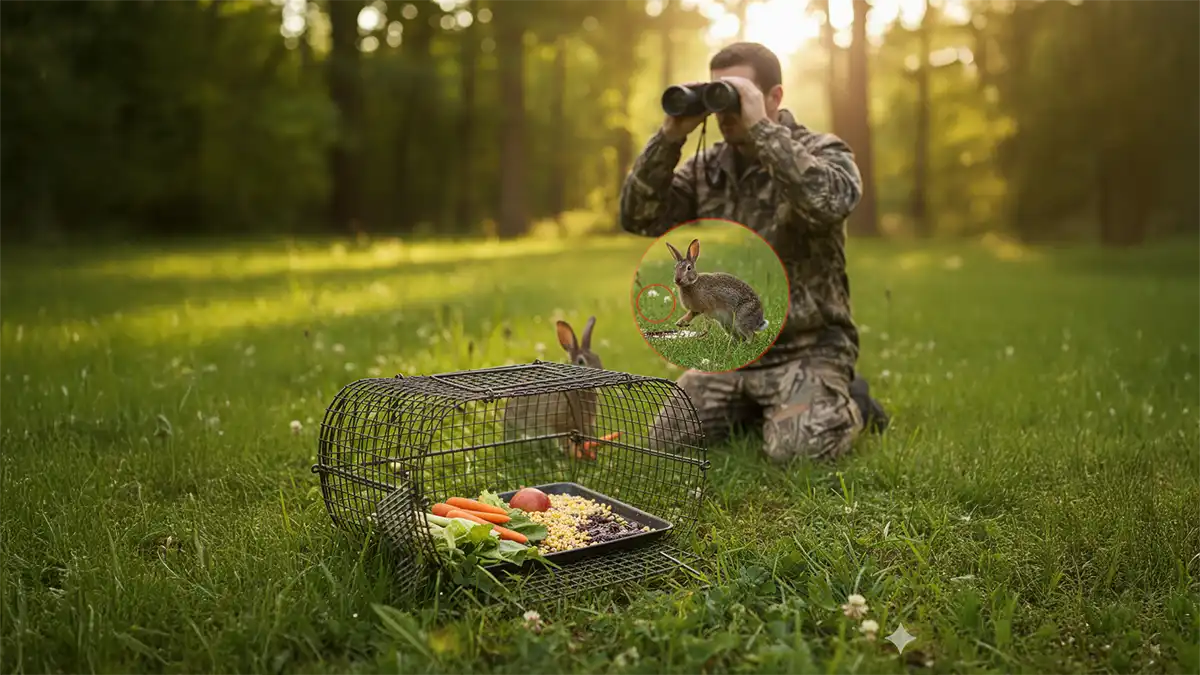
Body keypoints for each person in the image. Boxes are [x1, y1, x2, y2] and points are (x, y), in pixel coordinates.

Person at [619, 41, 889, 464]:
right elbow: (638, 216)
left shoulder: (822, 151)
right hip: (735, 351)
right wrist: (670, 136)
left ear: (774, 97)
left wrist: (762, 129)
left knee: (798, 452)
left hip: (806, 347)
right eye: (717, 95)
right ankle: (762, 411)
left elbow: (831, 201)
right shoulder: (708, 168)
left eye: (737, 94)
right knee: (662, 448)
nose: (725, 111)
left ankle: (850, 399)